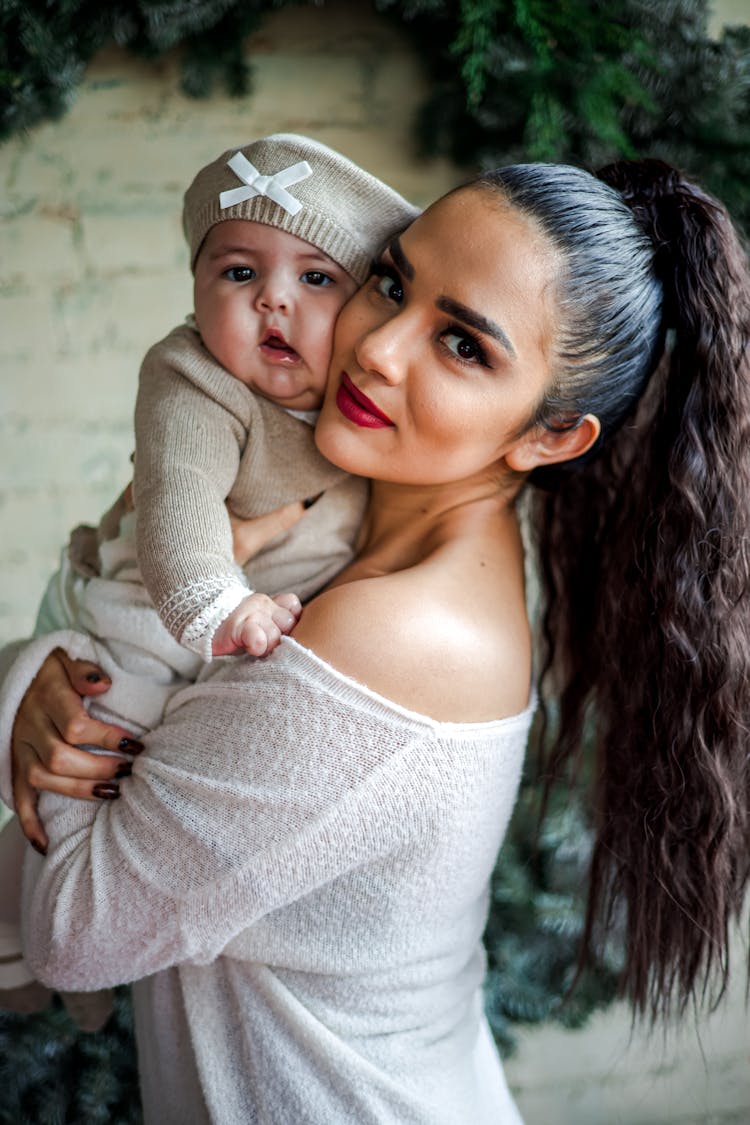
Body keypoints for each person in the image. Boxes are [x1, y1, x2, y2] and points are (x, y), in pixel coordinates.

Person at [2, 155, 750, 1124]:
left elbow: (74, 936)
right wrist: (35, 686)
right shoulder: (329, 532)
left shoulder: (394, 632)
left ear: (551, 437)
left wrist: (123, 608)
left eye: (464, 347)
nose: (381, 348)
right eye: (391, 280)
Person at [0, 132, 419, 1026]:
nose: (272, 297)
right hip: (147, 617)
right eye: (237, 273)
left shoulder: (355, 404)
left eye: (316, 278)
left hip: (231, 631)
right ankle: (17, 945)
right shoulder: (193, 381)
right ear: (194, 292)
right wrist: (218, 606)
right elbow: (183, 510)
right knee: (91, 753)